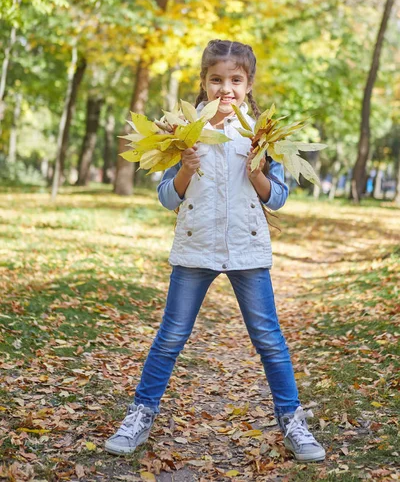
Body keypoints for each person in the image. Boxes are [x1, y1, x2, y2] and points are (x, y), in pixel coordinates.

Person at [105, 39, 325, 463]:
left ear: (249, 84)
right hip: (195, 248)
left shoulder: (262, 134)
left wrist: (258, 172)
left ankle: (292, 420)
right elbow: (168, 198)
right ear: (203, 84)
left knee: (269, 339)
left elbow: (276, 198)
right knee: (170, 337)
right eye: (216, 79)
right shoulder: (184, 132)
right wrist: (185, 168)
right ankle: (140, 415)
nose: (226, 88)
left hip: (247, 250)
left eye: (236, 80)